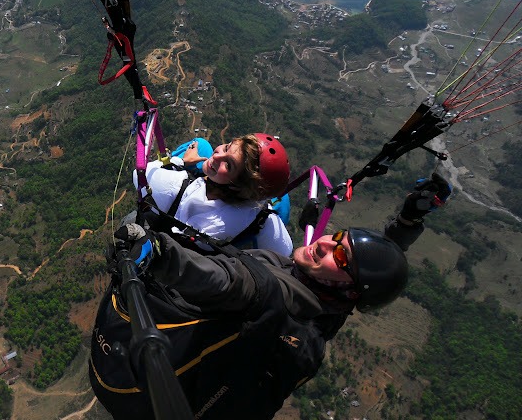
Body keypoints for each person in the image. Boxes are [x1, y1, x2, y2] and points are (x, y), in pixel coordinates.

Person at [90, 174, 452, 420]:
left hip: (131, 380)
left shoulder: (269, 291)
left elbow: (225, 281)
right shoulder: (323, 316)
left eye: (340, 257)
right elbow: (372, 274)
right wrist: (407, 222)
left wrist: (156, 251)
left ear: (348, 289)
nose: (325, 243)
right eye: (338, 237)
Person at [136, 133, 293, 255]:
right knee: (282, 201)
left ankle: (188, 162)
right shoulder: (259, 219)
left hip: (170, 208)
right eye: (227, 147)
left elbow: (140, 175)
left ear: (238, 187)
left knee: (202, 145)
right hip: (209, 250)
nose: (217, 156)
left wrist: (182, 162)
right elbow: (285, 251)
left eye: (228, 165)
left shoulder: (174, 186)